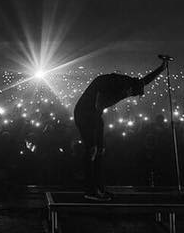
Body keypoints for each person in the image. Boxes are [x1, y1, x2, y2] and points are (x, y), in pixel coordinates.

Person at [73, 55, 171, 201]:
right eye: (131, 93)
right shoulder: (114, 83)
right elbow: (99, 104)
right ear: (129, 88)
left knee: (100, 151)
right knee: (92, 150)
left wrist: (161, 68)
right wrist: (120, 95)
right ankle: (90, 190)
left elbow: (146, 80)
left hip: (95, 116)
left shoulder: (131, 83)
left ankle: (99, 188)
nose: (130, 96)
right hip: (84, 114)